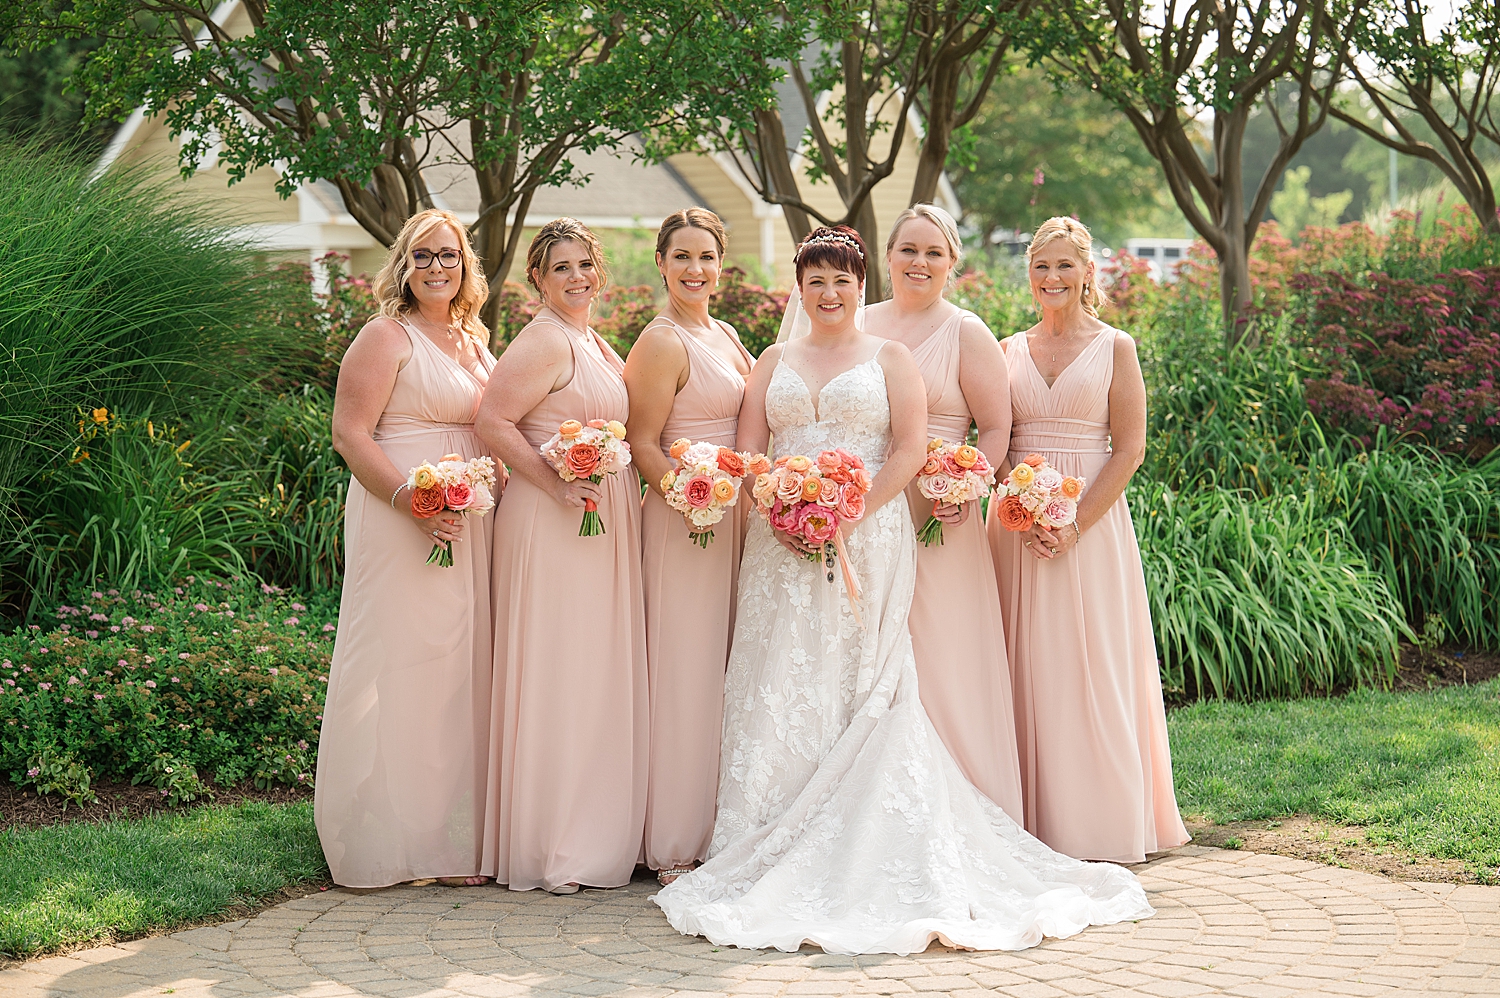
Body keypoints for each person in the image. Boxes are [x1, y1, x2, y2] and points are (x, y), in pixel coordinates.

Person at [654, 225, 1154, 955]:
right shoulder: (770, 359)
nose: (830, 293)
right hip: (779, 543)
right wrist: (781, 505)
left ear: (862, 285)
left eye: (842, 280)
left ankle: (861, 831)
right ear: (799, 288)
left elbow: (910, 447)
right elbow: (750, 450)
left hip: (871, 529)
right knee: (778, 676)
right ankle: (756, 834)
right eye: (816, 280)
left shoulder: (891, 358)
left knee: (863, 680)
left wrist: (846, 511)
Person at [987, 216, 1190, 863]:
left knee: (1087, 665)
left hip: (1089, 525)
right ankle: (1030, 821)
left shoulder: (1115, 347)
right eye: (1041, 266)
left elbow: (1129, 449)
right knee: (1021, 665)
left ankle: (1097, 821)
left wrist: (1073, 525)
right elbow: (992, 440)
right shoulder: (1005, 349)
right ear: (1029, 275)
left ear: (1087, 273)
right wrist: (996, 493)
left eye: (1064, 266)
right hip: (1014, 527)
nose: (1051, 278)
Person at [317, 208, 497, 888]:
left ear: (465, 265)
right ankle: (392, 839)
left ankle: (437, 831)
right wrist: (411, 503)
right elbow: (351, 435)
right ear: (403, 264)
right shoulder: (385, 336)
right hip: (401, 515)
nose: (437, 267)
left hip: (466, 520)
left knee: (454, 673)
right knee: (404, 665)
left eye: (448, 255)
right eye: (422, 256)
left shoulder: (473, 340)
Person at [475, 218, 648, 894]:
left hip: (594, 520)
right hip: (552, 524)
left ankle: (592, 827)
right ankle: (553, 845)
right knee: (560, 671)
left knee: (590, 670)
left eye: (584, 265)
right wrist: (553, 484)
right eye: (561, 268)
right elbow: (493, 422)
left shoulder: (590, 339)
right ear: (537, 282)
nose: (577, 277)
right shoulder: (544, 339)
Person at [862, 204, 1023, 820]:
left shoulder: (966, 331)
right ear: (889, 256)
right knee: (878, 649)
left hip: (939, 514)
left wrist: (962, 490)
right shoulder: (859, 322)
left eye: (934, 252)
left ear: (952, 262)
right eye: (909, 250)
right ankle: (883, 808)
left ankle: (964, 805)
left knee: (942, 651)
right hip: (872, 507)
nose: (919, 262)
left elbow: (996, 427)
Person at [623, 208, 754, 886]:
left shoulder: (726, 334)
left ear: (721, 262)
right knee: (684, 671)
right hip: (686, 524)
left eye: (707, 256)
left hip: (732, 519)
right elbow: (641, 440)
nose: (696, 269)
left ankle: (718, 824)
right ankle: (673, 840)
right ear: (662, 263)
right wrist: (689, 500)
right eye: (682, 257)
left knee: (725, 669)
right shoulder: (662, 341)